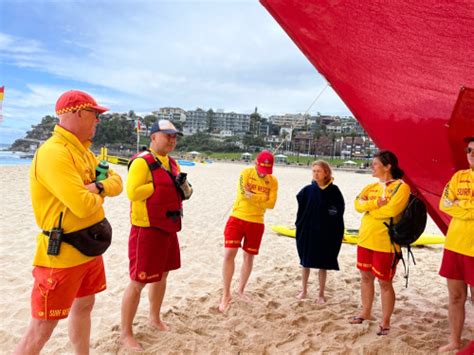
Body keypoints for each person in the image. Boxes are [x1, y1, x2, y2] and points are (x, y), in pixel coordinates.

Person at [14, 90, 123, 355]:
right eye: (95, 114)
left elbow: (118, 182)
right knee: (42, 327)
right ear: (78, 114)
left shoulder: (84, 151)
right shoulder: (54, 153)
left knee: (85, 306)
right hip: (61, 252)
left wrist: (95, 186)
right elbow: (82, 206)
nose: (98, 120)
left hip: (89, 246)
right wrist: (99, 191)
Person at [120, 120, 185, 350]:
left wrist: (183, 189)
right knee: (138, 281)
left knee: (162, 275)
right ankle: (125, 333)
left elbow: (181, 191)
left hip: (169, 226)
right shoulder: (141, 162)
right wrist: (158, 186)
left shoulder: (172, 163)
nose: (172, 140)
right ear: (154, 137)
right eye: (167, 136)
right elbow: (133, 192)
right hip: (146, 229)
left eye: (175, 137)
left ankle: (154, 318)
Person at [350, 150, 410, 336]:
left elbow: (391, 211)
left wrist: (370, 209)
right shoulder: (371, 187)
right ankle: (366, 312)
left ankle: (385, 321)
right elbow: (357, 204)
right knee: (365, 277)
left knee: (385, 282)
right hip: (366, 238)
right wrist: (376, 204)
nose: (372, 167)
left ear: (387, 166)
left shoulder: (401, 187)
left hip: (386, 242)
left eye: (375, 164)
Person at [219, 150, 278, 312]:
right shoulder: (246, 173)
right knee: (229, 253)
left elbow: (271, 204)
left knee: (249, 256)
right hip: (238, 217)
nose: (263, 173)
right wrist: (260, 198)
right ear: (256, 164)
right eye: (261, 169)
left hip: (257, 222)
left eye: (267, 171)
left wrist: (254, 196)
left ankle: (241, 290)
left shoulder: (272, 181)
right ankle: (226, 294)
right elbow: (244, 195)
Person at [438, 137, 474, 353]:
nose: (472, 153)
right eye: (469, 150)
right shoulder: (458, 176)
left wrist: (460, 205)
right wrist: (469, 208)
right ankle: (455, 340)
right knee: (456, 296)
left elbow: (453, 205)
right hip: (454, 245)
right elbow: (445, 204)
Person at [295, 160, 345, 304]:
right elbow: (301, 211)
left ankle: (321, 294)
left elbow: (338, 212)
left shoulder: (334, 191)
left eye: (319, 171)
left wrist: (336, 231)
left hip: (326, 233)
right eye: (314, 171)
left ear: (326, 173)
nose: (316, 174)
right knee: (305, 262)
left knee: (323, 264)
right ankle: (303, 290)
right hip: (308, 232)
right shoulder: (307, 190)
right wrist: (300, 226)